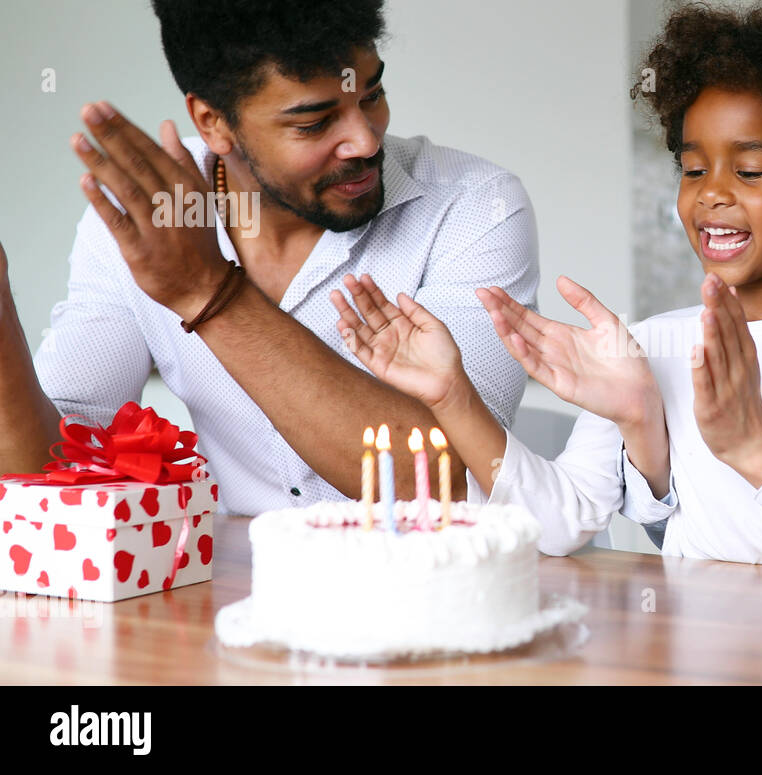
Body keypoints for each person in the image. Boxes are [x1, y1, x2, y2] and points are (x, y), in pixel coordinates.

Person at [332, 0, 762, 568]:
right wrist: (452, 397)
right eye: (693, 169)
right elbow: (559, 524)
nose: (712, 193)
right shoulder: (645, 347)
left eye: (749, 171)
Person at [0, 0, 539, 516]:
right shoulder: (148, 221)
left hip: (436, 590)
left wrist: (210, 291)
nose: (364, 142)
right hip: (233, 592)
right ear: (213, 121)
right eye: (314, 122)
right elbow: (53, 478)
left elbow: (448, 479)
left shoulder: (475, 205)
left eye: (371, 94)